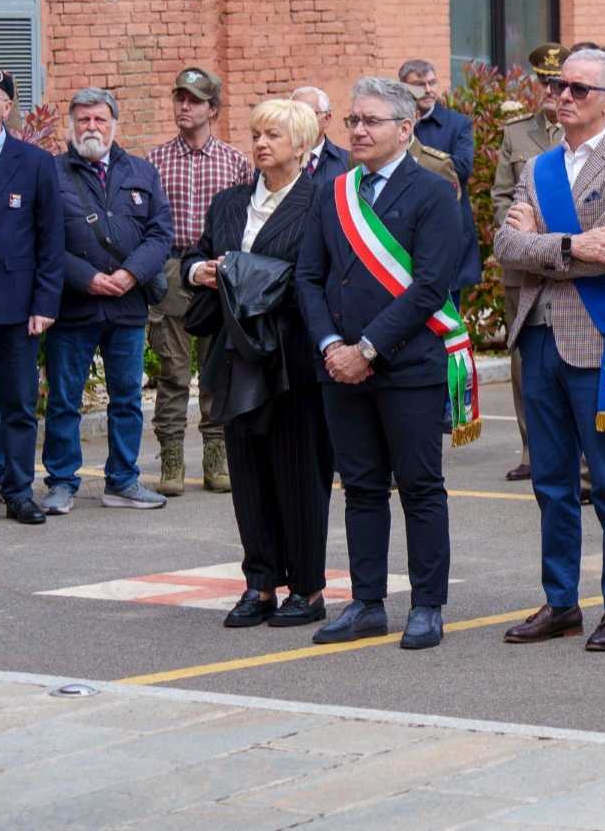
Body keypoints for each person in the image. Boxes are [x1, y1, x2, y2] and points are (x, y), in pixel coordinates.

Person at [296, 76, 466, 651]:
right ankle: (367, 602)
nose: (359, 131)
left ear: (405, 128)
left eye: (371, 121)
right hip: (338, 367)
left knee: (419, 487)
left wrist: (365, 349)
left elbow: (428, 288)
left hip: (406, 367)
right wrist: (329, 346)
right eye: (353, 121)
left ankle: (427, 606)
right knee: (362, 487)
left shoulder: (432, 192)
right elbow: (309, 276)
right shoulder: (334, 191)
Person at [494, 48, 605, 654]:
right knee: (551, 482)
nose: (563, 96)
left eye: (579, 90)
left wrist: (546, 242)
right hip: (538, 336)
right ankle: (561, 600)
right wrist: (570, 245)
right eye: (559, 86)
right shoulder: (536, 167)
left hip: (600, 338)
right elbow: (507, 246)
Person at [186, 99, 333, 628]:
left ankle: (309, 589)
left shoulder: (322, 201)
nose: (261, 144)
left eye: (273, 134)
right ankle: (260, 583)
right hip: (235, 355)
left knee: (298, 473)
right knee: (246, 474)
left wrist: (244, 272)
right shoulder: (228, 202)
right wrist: (200, 270)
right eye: (256, 135)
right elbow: (195, 256)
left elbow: (318, 277)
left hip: (291, 356)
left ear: (302, 145)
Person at [40, 87, 173, 514]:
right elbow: (41, 240)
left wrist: (130, 273)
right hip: (73, 306)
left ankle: (122, 480)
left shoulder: (142, 172)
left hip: (127, 306)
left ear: (115, 125)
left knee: (127, 399)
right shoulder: (50, 173)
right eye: (83, 120)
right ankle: (61, 482)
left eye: (99, 119)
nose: (91, 127)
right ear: (71, 126)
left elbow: (160, 234)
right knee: (64, 399)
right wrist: (86, 278)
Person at [0, 67, 62, 528]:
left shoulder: (35, 163)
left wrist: (45, 303)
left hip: (16, 304)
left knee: (18, 403)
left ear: (6, 108)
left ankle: (18, 491)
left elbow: (50, 240)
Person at [146, 67, 252, 495]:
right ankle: (171, 456)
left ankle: (216, 452)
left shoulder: (236, 163)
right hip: (171, 268)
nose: (184, 106)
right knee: (172, 368)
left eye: (193, 100)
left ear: (213, 109)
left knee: (216, 368)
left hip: (218, 272)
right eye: (179, 99)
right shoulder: (153, 162)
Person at [492, 46, 571, 487]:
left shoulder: (588, 133)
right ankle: (531, 448)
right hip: (522, 268)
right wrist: (521, 240)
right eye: (546, 83)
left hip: (571, 263)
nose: (552, 92)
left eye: (559, 84)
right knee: (525, 359)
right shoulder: (517, 134)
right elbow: (502, 196)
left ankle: (574, 454)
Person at [399, 59, 481, 295]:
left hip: (447, 230)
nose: (428, 89)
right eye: (419, 84)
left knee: (449, 320)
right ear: (404, 88)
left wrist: (415, 164)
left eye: (432, 82)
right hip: (403, 232)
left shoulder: (457, 124)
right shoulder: (393, 124)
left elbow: (462, 169)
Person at [291, 86, 351, 188]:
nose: (299, 121)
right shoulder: (274, 161)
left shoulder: (348, 164)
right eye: (294, 114)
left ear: (327, 119)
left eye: (308, 114)